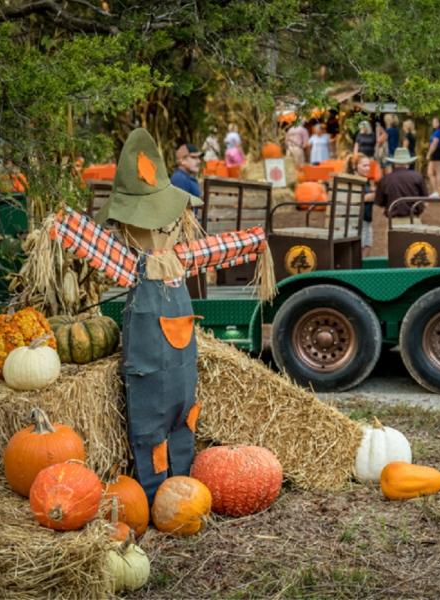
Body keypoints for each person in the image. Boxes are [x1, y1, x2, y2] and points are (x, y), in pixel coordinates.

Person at [51, 128, 268, 506]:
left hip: (184, 366)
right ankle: (155, 500)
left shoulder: (179, 259)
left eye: (167, 222)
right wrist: (57, 224)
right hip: (147, 370)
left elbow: (214, 250)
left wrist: (255, 242)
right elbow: (82, 236)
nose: (164, 230)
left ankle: (182, 489)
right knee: (150, 432)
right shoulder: (130, 265)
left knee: (184, 424)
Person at [374, 147, 428, 225]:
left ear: (394, 163)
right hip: (414, 220)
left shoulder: (385, 179)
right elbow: (426, 201)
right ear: (408, 163)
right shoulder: (417, 176)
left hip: (393, 222)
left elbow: (379, 203)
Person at [347, 154, 376, 257]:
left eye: (368, 165)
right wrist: (370, 196)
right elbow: (353, 198)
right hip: (357, 219)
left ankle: (362, 267)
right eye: (364, 166)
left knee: (368, 244)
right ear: (355, 166)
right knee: (361, 246)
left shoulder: (365, 180)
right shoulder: (354, 180)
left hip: (367, 218)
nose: (367, 168)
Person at [426, 116, 440, 197]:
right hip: (436, 152)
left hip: (437, 152)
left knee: (438, 171)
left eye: (435, 122)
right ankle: (436, 191)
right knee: (430, 172)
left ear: (439, 123)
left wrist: (429, 153)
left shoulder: (438, 132)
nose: (433, 123)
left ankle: (438, 191)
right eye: (433, 122)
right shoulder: (436, 132)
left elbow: (434, 143)